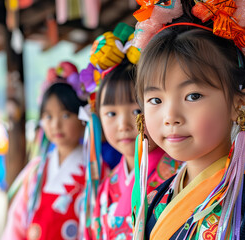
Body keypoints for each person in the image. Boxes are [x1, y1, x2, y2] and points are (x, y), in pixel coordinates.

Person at [131, 0, 245, 239]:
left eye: (192, 96)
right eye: (155, 100)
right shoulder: (156, 198)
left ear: (240, 104)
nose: (170, 116)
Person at [79, 23, 180, 240]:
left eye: (136, 110)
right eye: (111, 114)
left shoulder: (180, 175)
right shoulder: (107, 185)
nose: (124, 125)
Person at [2, 62, 88, 240]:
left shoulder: (94, 168)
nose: (55, 125)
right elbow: (17, 221)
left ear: (82, 117)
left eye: (65, 115)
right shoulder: (36, 169)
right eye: (48, 116)